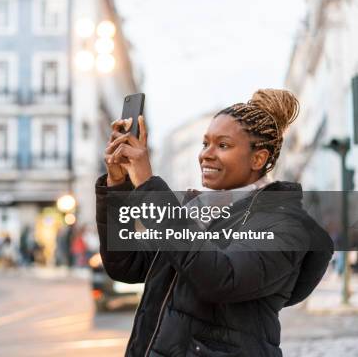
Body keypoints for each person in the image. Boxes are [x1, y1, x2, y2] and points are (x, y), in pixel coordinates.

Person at [96, 89, 334, 356]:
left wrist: (150, 187)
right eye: (205, 143)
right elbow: (127, 266)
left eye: (223, 145)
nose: (206, 154)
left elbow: (221, 278)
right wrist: (117, 186)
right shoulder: (196, 212)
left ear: (259, 158)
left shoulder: (285, 225)